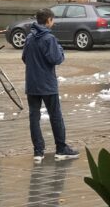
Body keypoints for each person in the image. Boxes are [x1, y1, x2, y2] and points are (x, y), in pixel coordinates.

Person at [21, 8, 80, 162]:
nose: (53, 23)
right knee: (55, 115)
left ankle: (38, 151)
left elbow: (25, 58)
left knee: (34, 117)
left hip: (32, 84)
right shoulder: (49, 38)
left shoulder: (29, 38)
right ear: (48, 20)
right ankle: (61, 148)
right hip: (47, 84)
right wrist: (60, 49)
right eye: (52, 20)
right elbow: (57, 59)